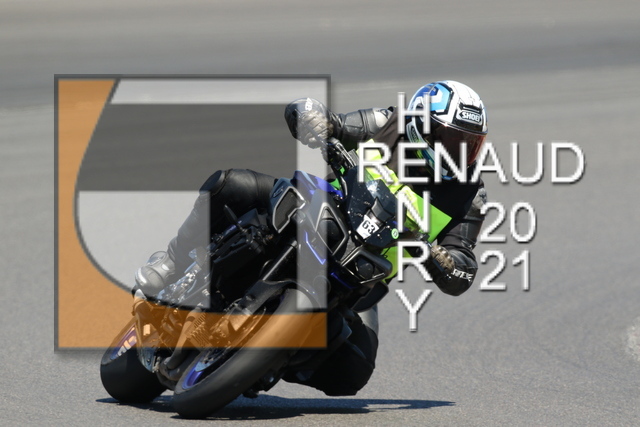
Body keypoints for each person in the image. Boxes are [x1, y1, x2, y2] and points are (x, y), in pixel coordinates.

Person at [134, 80, 488, 397]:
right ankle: (171, 263)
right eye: (453, 140)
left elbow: (463, 265)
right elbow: (325, 119)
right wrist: (313, 118)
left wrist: (443, 261)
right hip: (317, 210)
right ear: (420, 125)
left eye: (470, 145)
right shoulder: (389, 123)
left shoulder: (470, 195)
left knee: (354, 371)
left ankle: (275, 359)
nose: (460, 153)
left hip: (363, 273)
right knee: (231, 184)